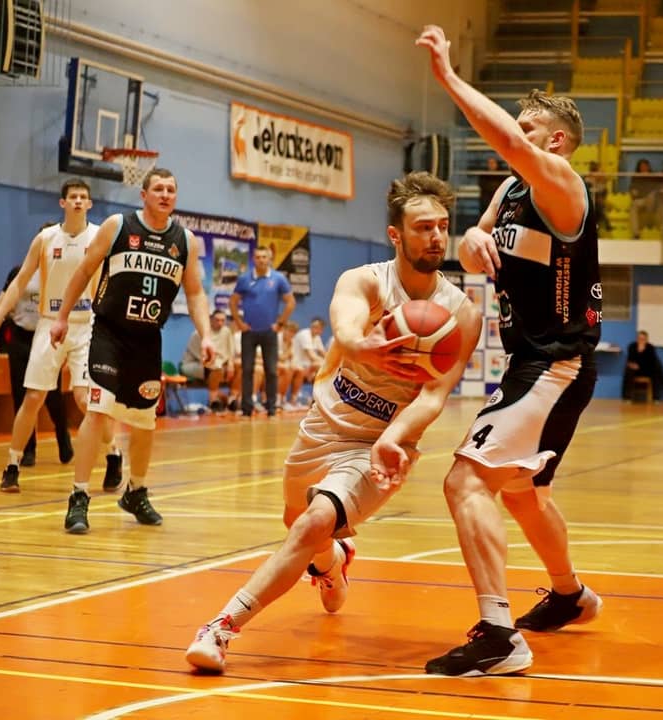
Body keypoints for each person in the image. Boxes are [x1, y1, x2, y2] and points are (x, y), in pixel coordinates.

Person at [184, 171, 482, 674]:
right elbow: (344, 322)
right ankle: (333, 563)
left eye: (441, 226)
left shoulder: (461, 313)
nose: (436, 236)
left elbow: (434, 397)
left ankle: (220, 628)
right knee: (297, 523)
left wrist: (393, 438)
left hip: (381, 442)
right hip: (323, 426)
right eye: (423, 227)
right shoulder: (365, 281)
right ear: (395, 235)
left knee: (313, 522)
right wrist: (360, 343)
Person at [415, 26, 603, 677]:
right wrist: (471, 239)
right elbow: (481, 243)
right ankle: (570, 595)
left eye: (527, 128)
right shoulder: (511, 190)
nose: (515, 136)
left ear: (555, 142)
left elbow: (506, 142)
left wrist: (448, 78)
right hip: (531, 360)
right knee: (523, 494)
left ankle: (499, 635)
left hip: (556, 362)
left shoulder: (563, 186)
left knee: (465, 480)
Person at [50, 168, 213, 534]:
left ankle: (136, 491)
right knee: (98, 409)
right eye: (158, 189)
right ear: (144, 195)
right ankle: (79, 496)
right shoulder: (118, 226)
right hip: (109, 333)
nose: (165, 194)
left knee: (143, 422)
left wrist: (205, 336)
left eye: (171, 189)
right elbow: (84, 271)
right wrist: (61, 317)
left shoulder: (185, 241)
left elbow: (195, 293)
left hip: (147, 339)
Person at [0, 180, 115, 492]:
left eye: (83, 197)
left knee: (86, 400)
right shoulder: (45, 239)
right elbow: (18, 283)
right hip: (50, 323)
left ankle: (114, 455)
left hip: (87, 325)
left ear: (89, 204)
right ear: (62, 203)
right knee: (33, 397)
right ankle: (12, 464)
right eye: (72, 196)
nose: (78, 201)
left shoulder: (99, 237)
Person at [0, 264, 69, 468]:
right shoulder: (19, 272)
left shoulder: (58, 271)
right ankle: (28, 449)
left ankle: (62, 435)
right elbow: (2, 301)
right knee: (21, 394)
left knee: (52, 395)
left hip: (46, 336)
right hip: (20, 337)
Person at [229, 245, 295, 417]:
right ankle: (246, 409)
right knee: (247, 370)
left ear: (269, 259)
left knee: (271, 370)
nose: (261, 260)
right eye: (258, 257)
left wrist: (280, 324)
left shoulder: (278, 278)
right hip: (249, 332)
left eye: (264, 257)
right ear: (253, 259)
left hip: (269, 332)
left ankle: (271, 408)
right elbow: (233, 302)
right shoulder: (245, 279)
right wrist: (239, 323)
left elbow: (290, 302)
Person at [180, 309, 234, 412]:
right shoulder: (199, 333)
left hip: (218, 364)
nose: (220, 323)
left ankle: (232, 399)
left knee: (239, 366)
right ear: (211, 320)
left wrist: (230, 364)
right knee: (216, 367)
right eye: (217, 320)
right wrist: (220, 363)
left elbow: (230, 351)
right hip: (194, 364)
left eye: (223, 320)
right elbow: (204, 358)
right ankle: (213, 401)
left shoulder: (226, 332)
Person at [621, 330, 663, 402]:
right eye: (640, 338)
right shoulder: (632, 346)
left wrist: (641, 363)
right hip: (635, 370)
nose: (641, 340)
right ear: (637, 339)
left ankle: (656, 398)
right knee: (628, 371)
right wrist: (632, 365)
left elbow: (651, 362)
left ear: (646, 340)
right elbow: (630, 360)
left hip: (647, 370)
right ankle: (627, 397)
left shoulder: (650, 348)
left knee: (656, 371)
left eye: (643, 339)